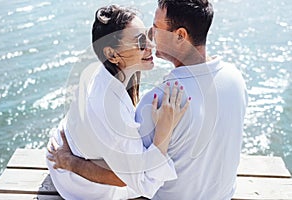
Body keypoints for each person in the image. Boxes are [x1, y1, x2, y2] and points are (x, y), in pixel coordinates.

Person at [48, 0, 248, 199]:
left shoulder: (158, 99)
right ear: (113, 55)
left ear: (180, 35)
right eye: (142, 39)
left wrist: (70, 161)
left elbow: (135, 176)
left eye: (155, 29)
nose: (151, 40)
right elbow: (134, 177)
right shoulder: (235, 77)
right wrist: (68, 162)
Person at [46, 4, 190, 200]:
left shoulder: (105, 72)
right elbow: (135, 181)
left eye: (148, 35)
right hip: (80, 186)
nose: (151, 45)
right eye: (140, 42)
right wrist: (164, 128)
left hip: (68, 151)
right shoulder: (110, 110)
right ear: (112, 55)